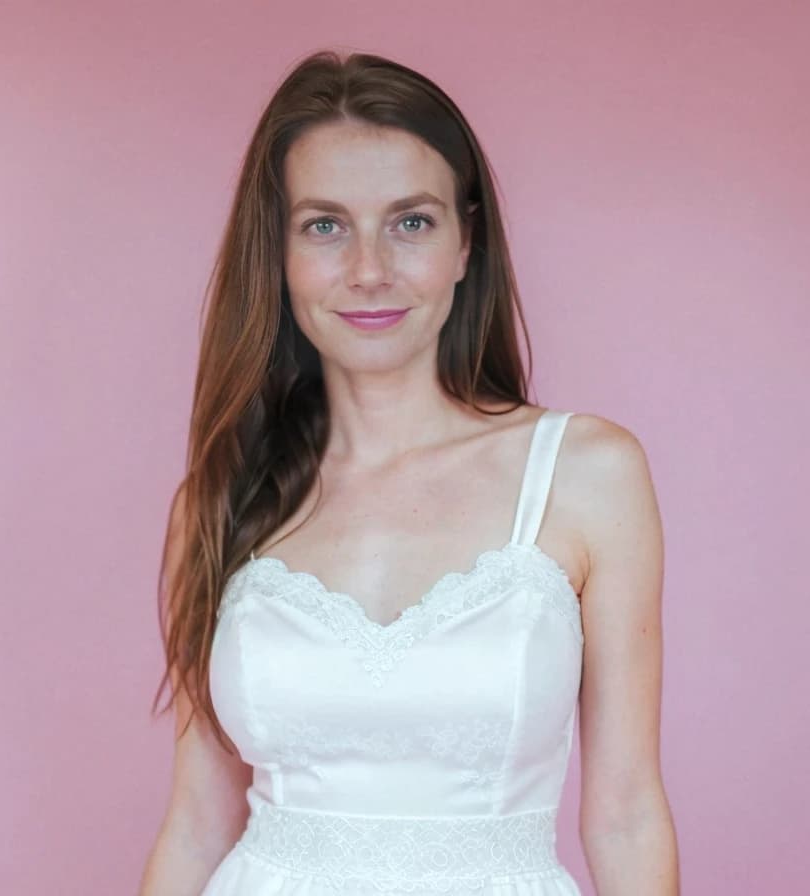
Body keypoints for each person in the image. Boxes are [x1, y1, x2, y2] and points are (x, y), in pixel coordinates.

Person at [138, 49, 678, 896]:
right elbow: (199, 823)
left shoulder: (587, 475)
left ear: (467, 242)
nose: (368, 270)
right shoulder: (220, 497)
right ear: (277, 255)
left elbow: (625, 813)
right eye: (324, 225)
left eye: (411, 222)